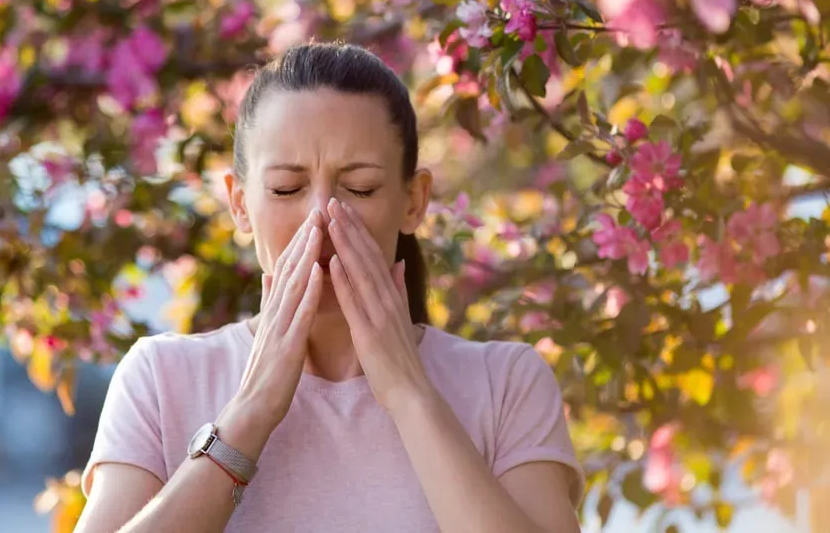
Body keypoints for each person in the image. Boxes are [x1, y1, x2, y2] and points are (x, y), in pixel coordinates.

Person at [74, 42, 583, 533]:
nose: (320, 216)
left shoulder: (506, 384)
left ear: (413, 200)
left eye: (359, 188)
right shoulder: (161, 379)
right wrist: (249, 413)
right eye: (286, 189)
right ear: (240, 203)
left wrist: (410, 395)